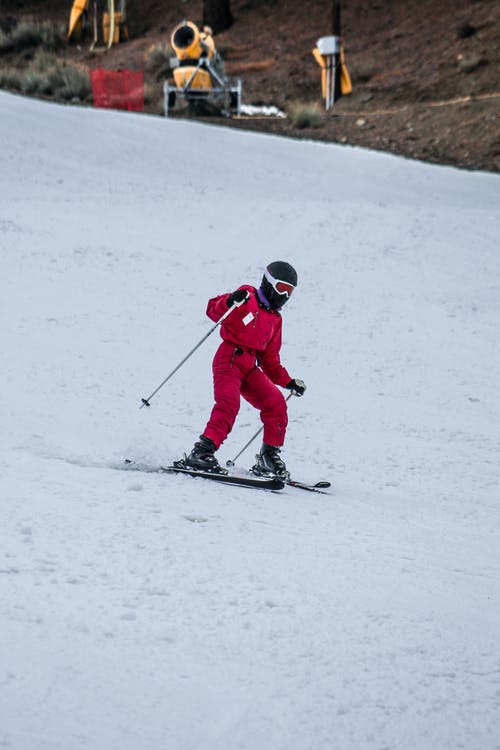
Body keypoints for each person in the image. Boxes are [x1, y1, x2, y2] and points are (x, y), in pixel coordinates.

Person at [182, 261, 306, 478]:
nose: (285, 296)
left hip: (250, 367)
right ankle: (202, 451)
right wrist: (230, 301)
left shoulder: (275, 319)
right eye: (281, 289)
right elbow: (213, 309)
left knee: (275, 403)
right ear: (268, 283)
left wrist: (288, 382)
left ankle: (268, 457)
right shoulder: (248, 296)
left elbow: (270, 360)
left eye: (290, 292)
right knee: (229, 404)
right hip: (229, 359)